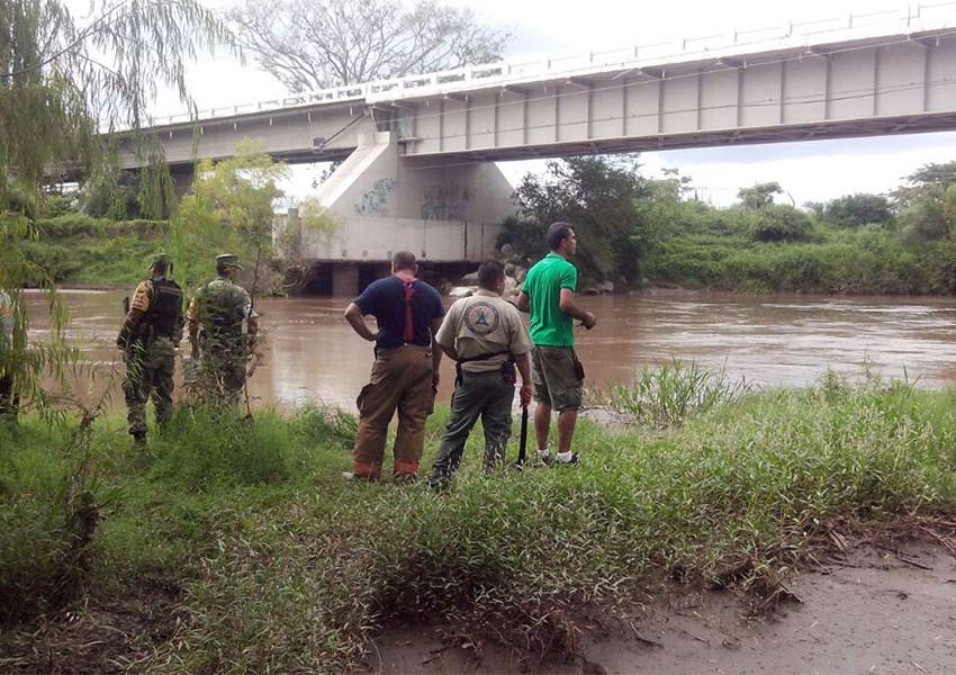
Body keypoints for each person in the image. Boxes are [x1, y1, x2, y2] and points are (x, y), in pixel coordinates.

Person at [428, 261, 533, 489]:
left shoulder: (459, 306)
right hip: (501, 380)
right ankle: (492, 482)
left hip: (469, 378)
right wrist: (527, 383)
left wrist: (462, 358)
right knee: (498, 431)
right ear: (499, 282)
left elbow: (442, 341)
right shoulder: (509, 310)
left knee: (457, 429)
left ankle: (439, 480)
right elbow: (521, 354)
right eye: (503, 280)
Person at [343, 251, 445, 482]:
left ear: (393, 266)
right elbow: (438, 335)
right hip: (421, 359)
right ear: (415, 269)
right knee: (414, 420)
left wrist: (369, 335)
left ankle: (365, 473)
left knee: (374, 416)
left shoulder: (379, 288)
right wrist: (435, 368)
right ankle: (406, 474)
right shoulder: (431, 293)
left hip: (390, 358)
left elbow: (351, 313)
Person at [515, 222, 596, 465]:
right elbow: (565, 304)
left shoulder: (536, 269)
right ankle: (564, 456)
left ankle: (543, 453)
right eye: (573, 238)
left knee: (544, 399)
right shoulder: (567, 269)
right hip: (558, 344)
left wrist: (542, 310)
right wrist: (586, 317)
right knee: (569, 402)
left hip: (536, 342)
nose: (575, 242)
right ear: (563, 242)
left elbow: (521, 304)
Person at [117, 254, 184, 446]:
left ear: (154, 268)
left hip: (146, 347)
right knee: (163, 395)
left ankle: (140, 442)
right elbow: (180, 321)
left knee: (136, 393)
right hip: (167, 349)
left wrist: (122, 339)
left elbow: (134, 316)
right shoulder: (177, 291)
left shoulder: (146, 287)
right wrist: (173, 342)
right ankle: (166, 437)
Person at [187, 254, 259, 408]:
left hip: (209, 348)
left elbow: (192, 322)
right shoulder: (239, 293)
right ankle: (230, 418)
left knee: (211, 388)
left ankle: (213, 418)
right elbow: (252, 320)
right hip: (233, 349)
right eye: (236, 270)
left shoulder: (201, 292)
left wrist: (194, 348)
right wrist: (251, 344)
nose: (237, 273)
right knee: (233, 391)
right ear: (230, 270)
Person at [0, 288, 18, 424]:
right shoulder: (8, 298)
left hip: (4, 351)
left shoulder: (5, 298)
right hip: (7, 352)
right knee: (6, 391)